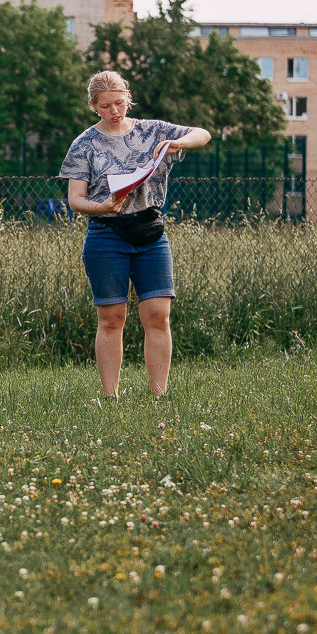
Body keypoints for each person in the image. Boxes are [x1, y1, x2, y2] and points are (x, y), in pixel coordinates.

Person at [59, 70, 211, 398]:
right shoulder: (84, 144)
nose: (114, 111)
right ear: (93, 107)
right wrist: (104, 207)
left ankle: (160, 395)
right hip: (106, 234)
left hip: (151, 232)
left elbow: (203, 134)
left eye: (119, 102)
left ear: (128, 97)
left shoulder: (152, 130)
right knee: (112, 318)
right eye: (105, 106)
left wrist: (177, 143)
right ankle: (110, 397)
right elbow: (75, 200)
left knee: (158, 315)